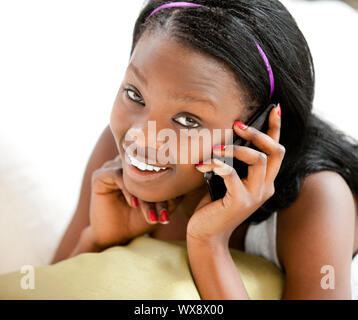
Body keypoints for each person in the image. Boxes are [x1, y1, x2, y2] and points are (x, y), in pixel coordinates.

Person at [51, 0, 358, 299]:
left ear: (259, 128)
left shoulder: (318, 200)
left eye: (187, 120)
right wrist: (97, 241)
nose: (140, 137)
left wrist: (209, 244)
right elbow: (41, 290)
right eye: (135, 94)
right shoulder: (114, 155)